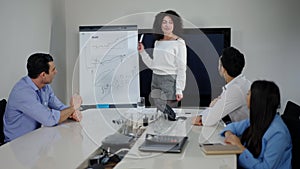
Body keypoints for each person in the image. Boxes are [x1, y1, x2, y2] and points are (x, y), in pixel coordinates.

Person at [3, 53, 82, 142]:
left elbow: (60, 107)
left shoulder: (44, 86)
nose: (56, 72)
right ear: (43, 75)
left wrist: (73, 113)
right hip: (16, 145)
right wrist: (73, 107)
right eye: (53, 70)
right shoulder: (23, 93)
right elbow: (49, 119)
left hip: (34, 139)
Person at [220, 80, 292, 169]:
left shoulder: (278, 133)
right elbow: (232, 127)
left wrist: (240, 147)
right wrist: (230, 135)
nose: (246, 97)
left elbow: (265, 167)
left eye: (249, 94)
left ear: (257, 100)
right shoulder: (259, 119)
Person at [138, 10, 187, 108]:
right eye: (164, 22)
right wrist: (142, 52)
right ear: (159, 24)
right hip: (155, 80)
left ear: (175, 24)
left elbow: (181, 68)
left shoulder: (179, 42)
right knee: (158, 114)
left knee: (168, 116)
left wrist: (179, 89)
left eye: (170, 22)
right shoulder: (158, 42)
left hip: (169, 82)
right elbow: (153, 65)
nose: (167, 25)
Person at [192, 47, 250, 126]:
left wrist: (211, 107)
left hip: (243, 135)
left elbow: (208, 120)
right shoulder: (241, 83)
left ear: (223, 69)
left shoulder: (235, 89)